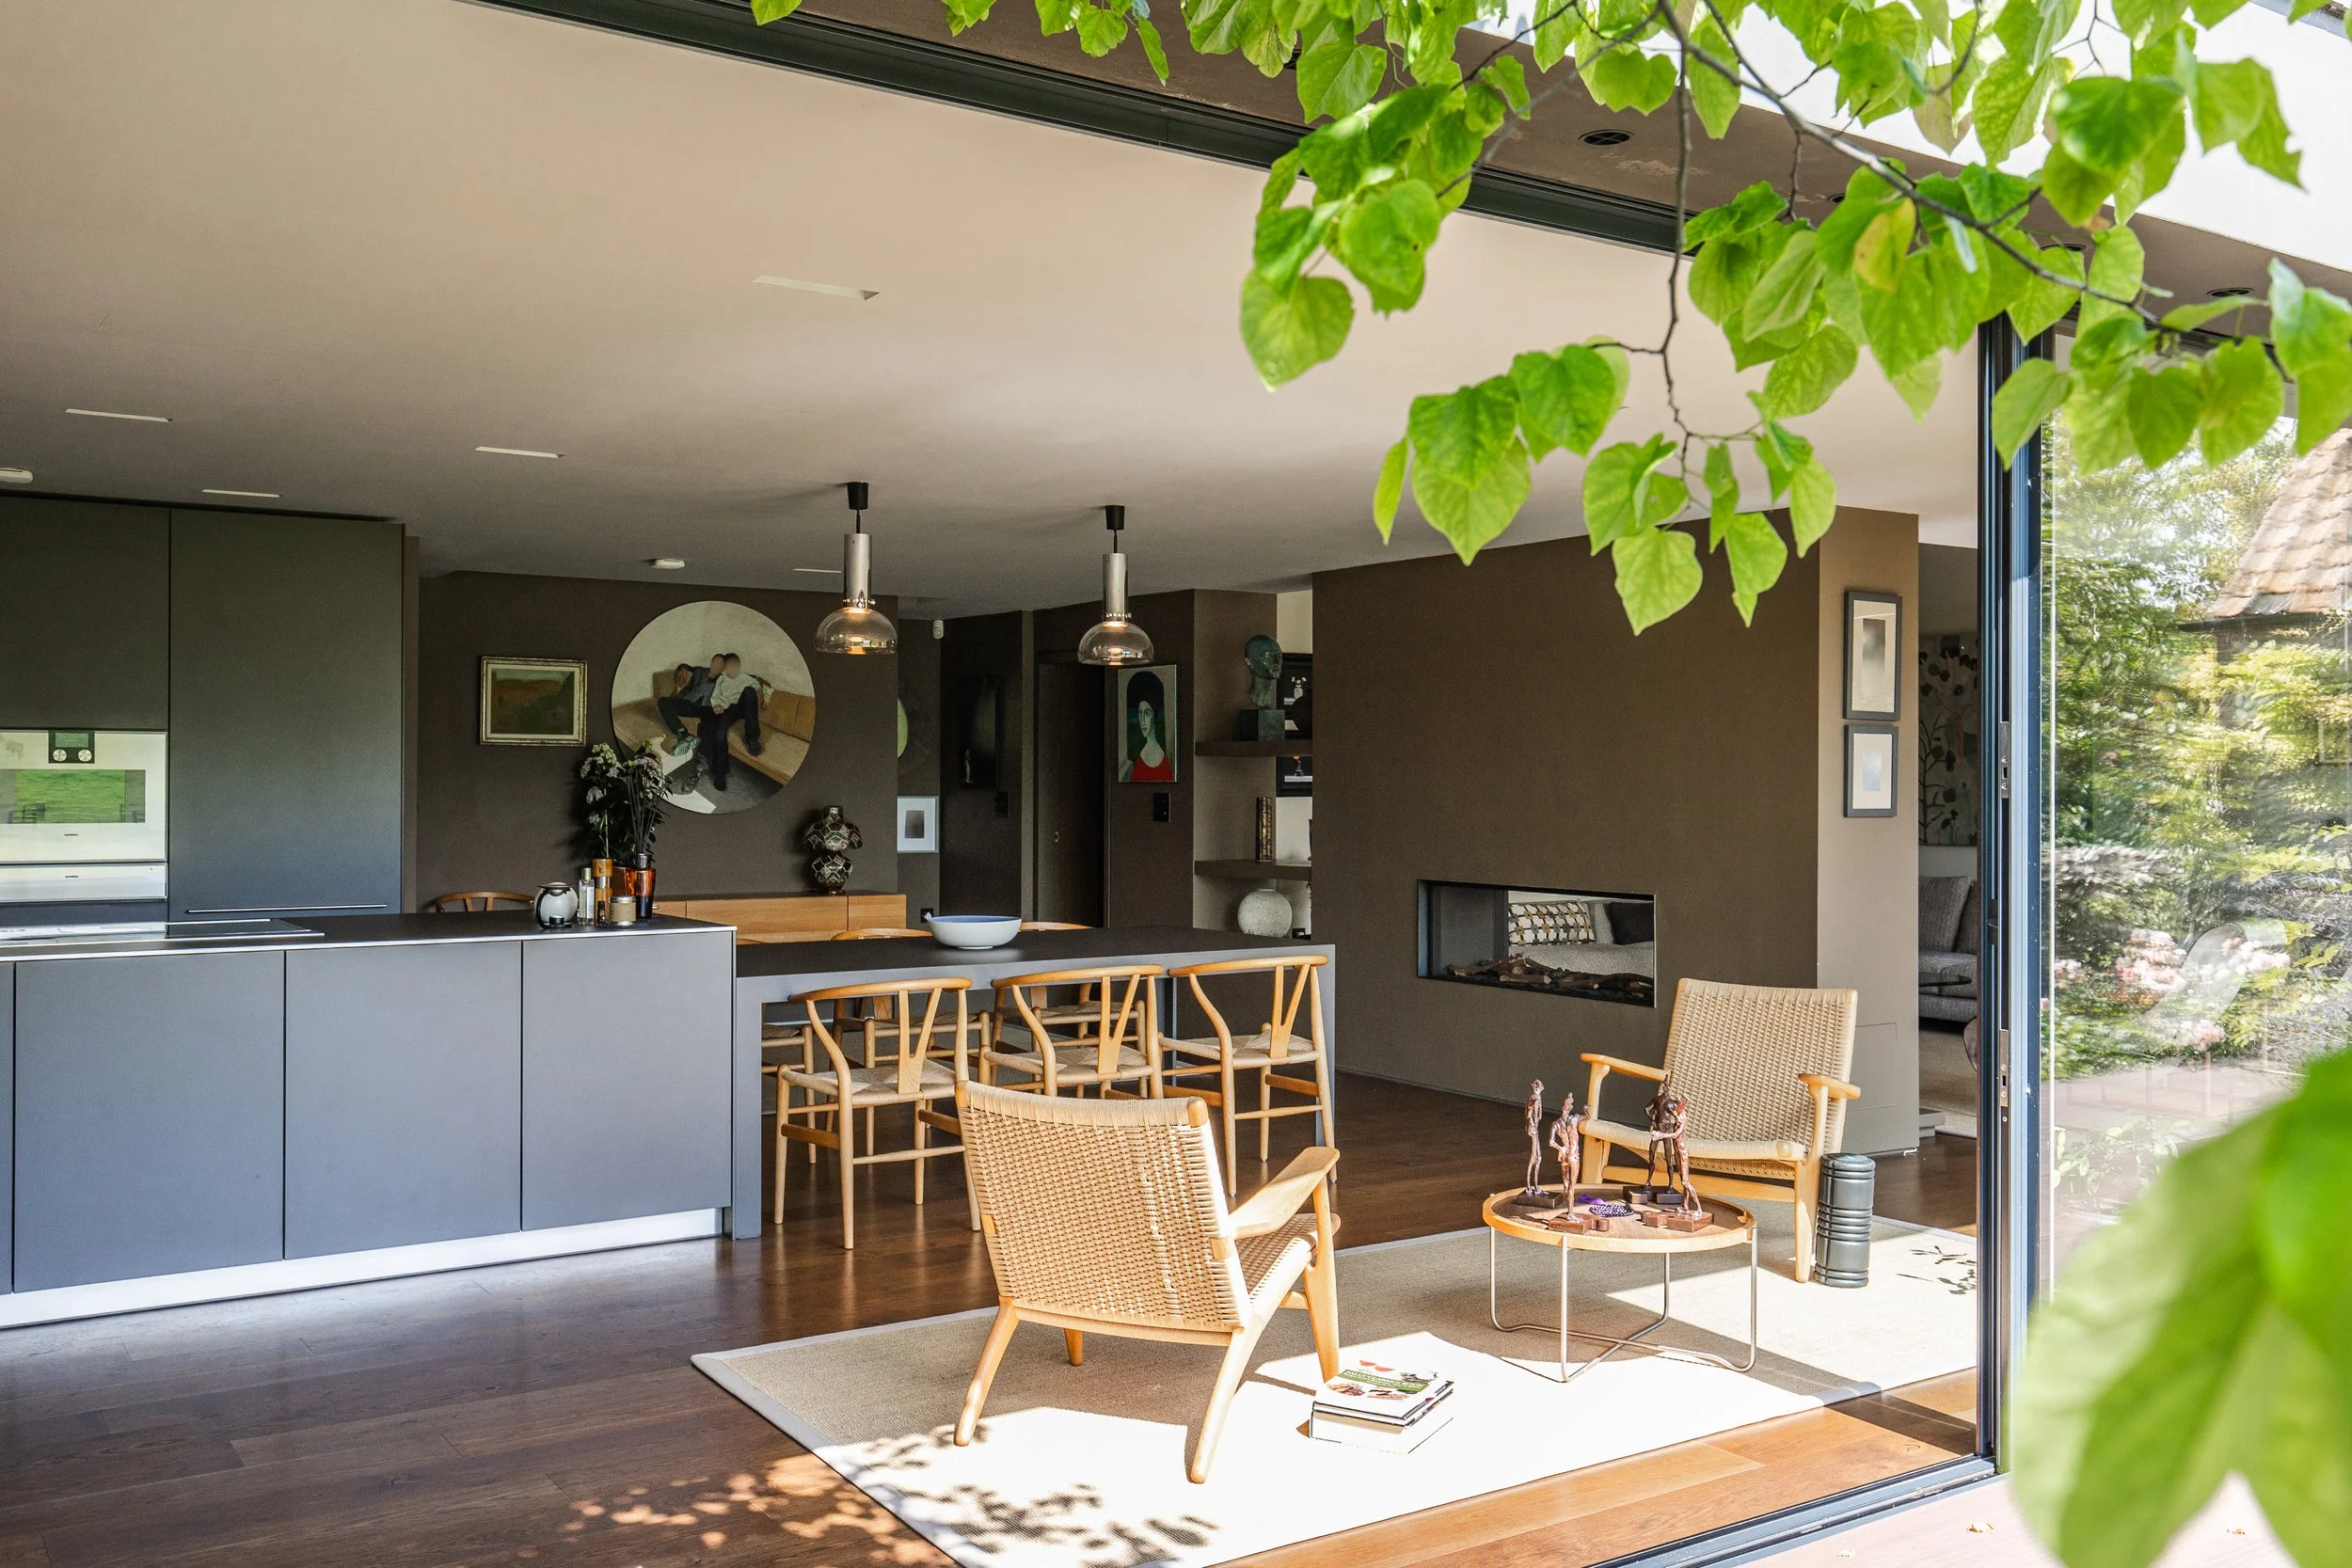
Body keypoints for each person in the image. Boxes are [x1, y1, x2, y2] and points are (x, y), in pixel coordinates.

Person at [699, 653, 771, 789]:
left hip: (742, 707)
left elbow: (764, 683)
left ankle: (752, 738)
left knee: (749, 691)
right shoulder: (721, 679)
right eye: (729, 665)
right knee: (720, 734)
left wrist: (767, 694)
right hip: (728, 710)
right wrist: (717, 706)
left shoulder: (746, 678)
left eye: (734, 665)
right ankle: (720, 774)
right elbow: (715, 698)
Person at [1120, 669, 1175, 784]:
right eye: (1140, 713)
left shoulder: (1163, 762)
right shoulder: (1137, 759)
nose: (1142, 720)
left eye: (1147, 713)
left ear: (1154, 715)